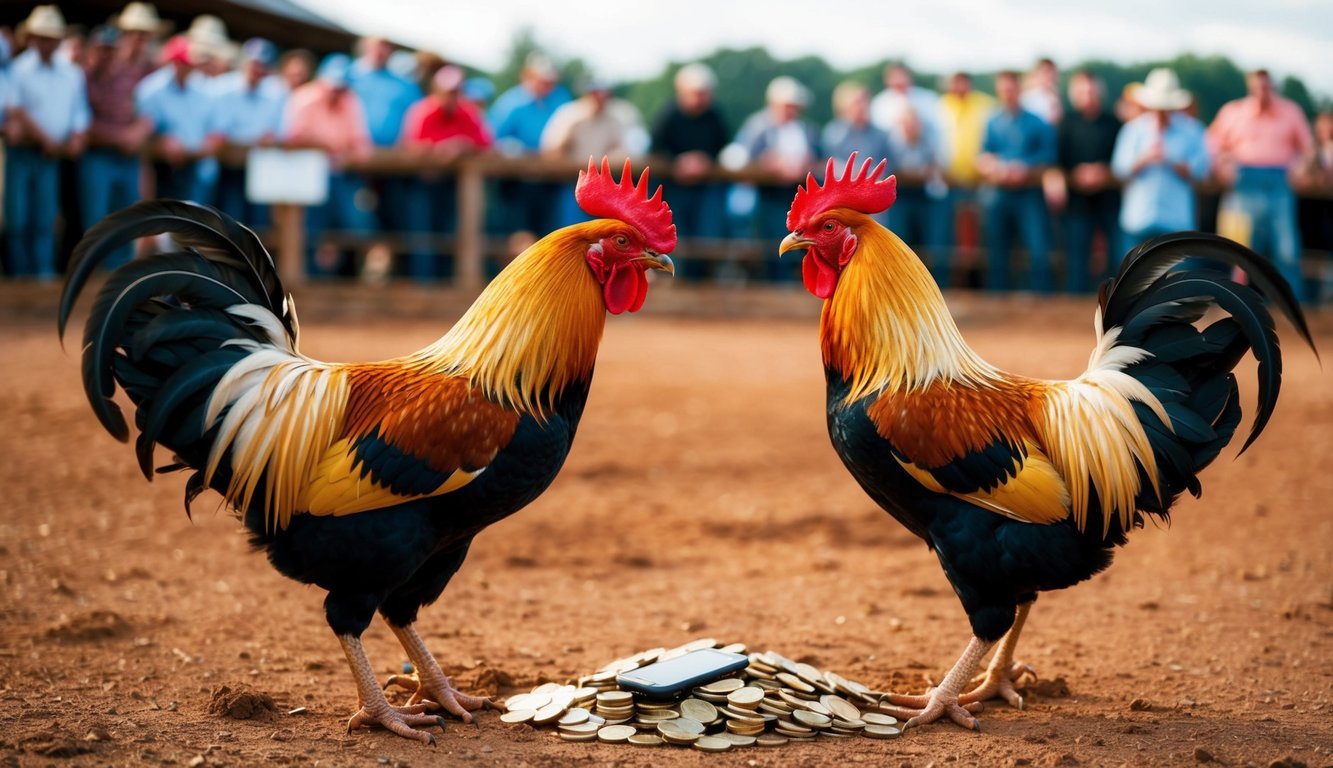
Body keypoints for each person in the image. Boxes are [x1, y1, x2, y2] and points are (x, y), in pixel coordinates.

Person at [1207, 68, 1316, 301]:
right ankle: (1238, 304)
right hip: (1243, 181)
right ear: (1250, 88)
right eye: (1257, 87)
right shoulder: (1233, 112)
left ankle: (1291, 305)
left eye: (1266, 87)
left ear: (1272, 87)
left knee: (1286, 248)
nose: (1262, 92)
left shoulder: (1291, 112)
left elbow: (1308, 151)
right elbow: (1211, 146)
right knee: (1241, 247)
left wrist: (1300, 169)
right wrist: (1222, 168)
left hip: (1280, 181)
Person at [4, 5, 89, 280]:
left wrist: (76, 136)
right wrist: (47, 139)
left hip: (51, 155)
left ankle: (42, 275)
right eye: (41, 36)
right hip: (23, 152)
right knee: (17, 218)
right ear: (32, 37)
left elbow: (79, 111)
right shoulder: (18, 69)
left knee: (45, 217)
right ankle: (19, 276)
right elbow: (15, 109)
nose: (46, 42)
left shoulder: (71, 73)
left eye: (51, 36)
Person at [282, 53, 375, 277]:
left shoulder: (351, 101)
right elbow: (292, 138)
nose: (336, 91)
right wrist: (327, 147)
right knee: (310, 230)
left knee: (354, 227)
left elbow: (362, 146)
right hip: (305, 177)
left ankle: (343, 277)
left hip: (340, 175)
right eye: (333, 85)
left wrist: (343, 155)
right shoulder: (304, 98)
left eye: (341, 86)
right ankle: (309, 277)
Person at [400, 64, 492, 281]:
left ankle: (445, 283)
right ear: (437, 90)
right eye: (448, 91)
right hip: (420, 186)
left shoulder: (467, 112)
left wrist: (462, 146)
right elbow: (411, 147)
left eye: (456, 91)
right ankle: (423, 285)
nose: (452, 96)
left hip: (452, 187)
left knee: (452, 234)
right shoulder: (422, 111)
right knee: (422, 236)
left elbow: (486, 145)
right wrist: (441, 148)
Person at [80, 16, 155, 269]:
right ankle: (95, 274)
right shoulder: (83, 78)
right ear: (93, 50)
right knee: (97, 220)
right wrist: (122, 136)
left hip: (126, 158)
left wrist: (137, 132)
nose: (107, 55)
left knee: (126, 219)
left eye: (110, 49)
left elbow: (147, 115)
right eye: (102, 49)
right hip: (97, 156)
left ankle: (118, 274)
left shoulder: (130, 76)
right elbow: (83, 124)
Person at [1110, 68, 1211, 249]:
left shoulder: (1192, 130)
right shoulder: (1133, 129)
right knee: (1135, 277)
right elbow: (1119, 169)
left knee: (1179, 276)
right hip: (1138, 219)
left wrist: (1172, 162)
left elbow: (1202, 171)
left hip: (1176, 221)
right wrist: (1145, 159)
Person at [976, 70, 1056, 292]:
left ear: (1019, 89)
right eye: (1003, 89)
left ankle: (1043, 302)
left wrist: (1025, 168)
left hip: (1029, 195)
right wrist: (993, 167)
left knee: (1037, 249)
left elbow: (1049, 156)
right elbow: (983, 155)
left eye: (1011, 89)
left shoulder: (1037, 122)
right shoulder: (992, 122)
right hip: (999, 194)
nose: (1007, 93)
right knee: (996, 250)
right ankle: (997, 303)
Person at [649, 62, 731, 281]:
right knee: (676, 237)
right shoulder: (668, 114)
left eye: (704, 93)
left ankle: (702, 282)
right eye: (695, 93)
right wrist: (677, 162)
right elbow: (656, 148)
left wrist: (706, 161)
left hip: (706, 189)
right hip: (673, 190)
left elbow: (724, 146)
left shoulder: (715, 116)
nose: (699, 98)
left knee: (708, 234)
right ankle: (677, 282)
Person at [735, 75, 820, 282]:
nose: (791, 110)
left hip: (800, 198)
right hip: (769, 197)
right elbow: (742, 159)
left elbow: (820, 158)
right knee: (773, 243)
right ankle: (776, 283)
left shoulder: (808, 130)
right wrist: (768, 164)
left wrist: (806, 164)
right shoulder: (757, 127)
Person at [488, 53, 572, 241]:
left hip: (551, 180)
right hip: (516, 183)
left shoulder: (561, 99)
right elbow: (493, 140)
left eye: (549, 81)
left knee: (551, 235)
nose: (547, 85)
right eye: (542, 80)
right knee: (517, 237)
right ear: (528, 76)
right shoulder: (511, 103)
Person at [349, 36, 422, 249]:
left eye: (386, 46)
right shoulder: (348, 78)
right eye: (377, 46)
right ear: (364, 47)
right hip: (354, 165)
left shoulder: (404, 85)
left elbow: (416, 117)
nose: (381, 51)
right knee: (355, 221)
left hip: (395, 166)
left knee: (394, 220)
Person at [542, 77, 644, 226]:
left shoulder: (616, 118)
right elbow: (550, 150)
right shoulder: (569, 115)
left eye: (604, 94)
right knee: (570, 232)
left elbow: (627, 150)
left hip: (604, 189)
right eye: (596, 93)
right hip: (570, 185)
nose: (600, 98)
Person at [1054, 70, 1122, 293]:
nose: (1088, 95)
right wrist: (1076, 175)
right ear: (1074, 94)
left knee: (1116, 259)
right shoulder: (1066, 124)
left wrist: (1105, 173)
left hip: (1110, 203)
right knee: (1076, 260)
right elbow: (1056, 162)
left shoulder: (1115, 123)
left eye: (1092, 90)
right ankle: (1073, 311)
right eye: (1083, 91)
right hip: (1077, 205)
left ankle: (1114, 308)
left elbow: (1124, 162)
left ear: (1100, 93)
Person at [208, 38, 286, 226]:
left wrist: (269, 139)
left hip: (260, 170)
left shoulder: (276, 92)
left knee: (257, 225)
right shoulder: (221, 89)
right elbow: (218, 134)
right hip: (225, 168)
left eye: (263, 66)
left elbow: (277, 132)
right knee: (228, 220)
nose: (257, 70)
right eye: (254, 64)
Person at [135, 35, 218, 203]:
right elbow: (142, 133)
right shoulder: (151, 90)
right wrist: (161, 143)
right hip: (160, 168)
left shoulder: (204, 89)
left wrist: (202, 147)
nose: (187, 69)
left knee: (193, 221)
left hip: (195, 165)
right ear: (173, 62)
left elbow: (212, 129)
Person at [937, 71, 995, 287]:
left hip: (981, 183)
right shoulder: (941, 107)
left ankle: (980, 285)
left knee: (982, 235)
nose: (958, 86)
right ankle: (954, 285)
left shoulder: (986, 105)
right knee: (952, 237)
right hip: (949, 184)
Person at [885, 106, 949, 283]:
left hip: (924, 199)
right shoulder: (891, 144)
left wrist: (913, 174)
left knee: (930, 245)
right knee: (900, 244)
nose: (911, 127)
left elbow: (937, 170)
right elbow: (892, 171)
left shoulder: (929, 143)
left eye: (914, 123)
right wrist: (918, 174)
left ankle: (934, 283)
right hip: (900, 199)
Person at [869, 62, 942, 146]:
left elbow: (937, 131)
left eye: (902, 76)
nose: (899, 80)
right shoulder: (879, 103)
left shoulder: (928, 99)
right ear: (887, 80)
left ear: (910, 77)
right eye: (895, 77)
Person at [1021, 57, 1062, 126]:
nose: (1051, 75)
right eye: (1047, 72)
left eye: (1052, 71)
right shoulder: (1028, 97)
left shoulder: (1053, 96)